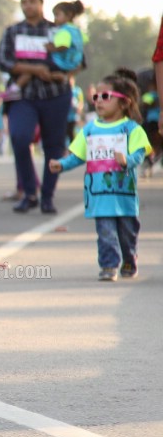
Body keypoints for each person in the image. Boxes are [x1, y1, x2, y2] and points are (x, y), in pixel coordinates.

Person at [49, 73, 150, 281]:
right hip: (98, 194)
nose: (99, 101)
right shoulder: (90, 130)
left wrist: (127, 161)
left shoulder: (131, 129)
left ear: (124, 102)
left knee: (127, 232)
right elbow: (78, 156)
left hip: (124, 194)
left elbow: (140, 154)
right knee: (105, 232)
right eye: (96, 97)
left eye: (106, 96)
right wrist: (62, 164)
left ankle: (129, 259)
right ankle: (108, 265)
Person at [0, 0, 73, 215]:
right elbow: (3, 60)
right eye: (24, 2)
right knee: (19, 137)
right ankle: (29, 192)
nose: (28, 5)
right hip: (23, 96)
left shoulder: (56, 31)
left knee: (53, 146)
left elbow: (73, 58)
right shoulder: (13, 32)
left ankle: (47, 197)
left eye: (32, 1)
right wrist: (33, 68)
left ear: (41, 3)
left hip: (55, 94)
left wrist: (48, 69)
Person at [10, 0, 85, 96]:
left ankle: (15, 88)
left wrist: (51, 48)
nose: (55, 19)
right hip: (72, 62)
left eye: (57, 15)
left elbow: (64, 46)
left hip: (61, 62)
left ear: (69, 15)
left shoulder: (64, 31)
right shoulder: (76, 31)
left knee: (32, 65)